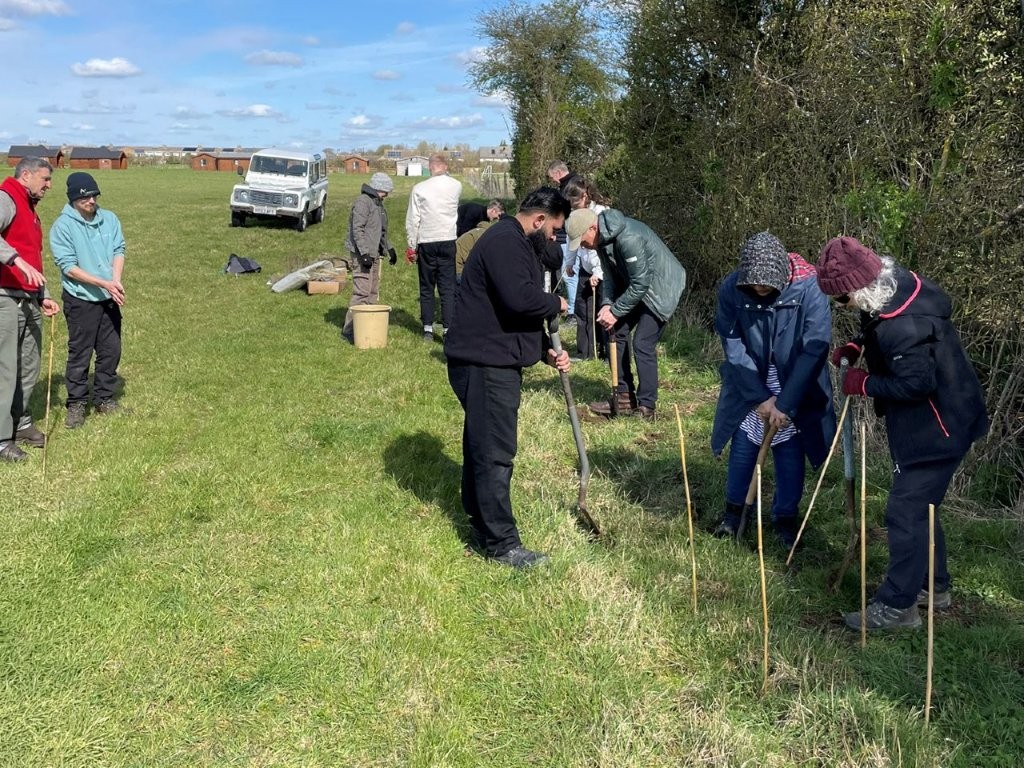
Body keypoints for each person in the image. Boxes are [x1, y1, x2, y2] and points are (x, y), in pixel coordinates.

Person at [816, 236, 989, 632]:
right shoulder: (896, 289)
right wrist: (857, 345)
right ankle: (934, 587)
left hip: (937, 429)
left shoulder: (905, 326)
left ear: (861, 288)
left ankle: (898, 607)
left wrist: (864, 384)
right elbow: (876, 326)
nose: (841, 306)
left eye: (842, 300)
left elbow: (915, 384)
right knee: (923, 507)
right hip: (942, 417)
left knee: (905, 511)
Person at [444, 187, 572, 568]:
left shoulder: (512, 240)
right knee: (495, 452)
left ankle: (480, 526)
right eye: (552, 231)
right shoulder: (505, 242)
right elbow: (520, 299)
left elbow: (507, 312)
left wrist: (543, 352)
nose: (552, 239)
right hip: (484, 365)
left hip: (491, 357)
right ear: (538, 220)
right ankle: (502, 545)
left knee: (480, 446)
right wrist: (557, 303)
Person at [710, 232, 835, 549]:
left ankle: (785, 521)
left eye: (767, 284)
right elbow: (733, 344)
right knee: (744, 446)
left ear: (782, 274)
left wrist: (786, 402)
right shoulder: (733, 289)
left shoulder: (809, 288)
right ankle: (734, 514)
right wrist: (759, 398)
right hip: (750, 379)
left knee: (790, 451)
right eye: (754, 284)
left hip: (795, 381)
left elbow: (814, 349)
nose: (760, 289)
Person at [566, 206, 686, 420]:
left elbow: (641, 284)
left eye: (582, 240)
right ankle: (623, 397)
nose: (582, 246)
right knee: (614, 329)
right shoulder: (601, 241)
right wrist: (606, 304)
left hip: (660, 290)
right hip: (637, 287)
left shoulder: (628, 237)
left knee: (643, 343)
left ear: (593, 228)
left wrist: (616, 310)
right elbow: (610, 278)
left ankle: (647, 406)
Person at [49, 172, 126, 429]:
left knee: (111, 350)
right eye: (85, 198)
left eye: (94, 196)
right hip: (80, 299)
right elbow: (68, 266)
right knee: (80, 353)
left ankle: (104, 398)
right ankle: (77, 404)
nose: (91, 201)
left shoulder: (110, 219)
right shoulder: (62, 227)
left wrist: (114, 281)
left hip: (108, 297)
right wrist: (102, 283)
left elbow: (118, 250)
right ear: (73, 199)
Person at [0, 157, 61, 461]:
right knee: (6, 369)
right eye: (45, 179)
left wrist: (43, 294)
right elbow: (18, 256)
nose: (49, 185)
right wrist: (14, 260)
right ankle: (0, 438)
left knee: (29, 365)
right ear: (26, 175)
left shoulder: (30, 209)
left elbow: (34, 257)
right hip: (4, 297)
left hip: (28, 298)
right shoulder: (6, 198)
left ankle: (21, 423)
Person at [405, 153, 461, 342]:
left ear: (430, 167)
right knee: (447, 287)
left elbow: (413, 219)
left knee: (427, 286)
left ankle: (428, 328)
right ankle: (447, 329)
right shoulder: (456, 186)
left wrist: (411, 246)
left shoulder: (419, 189)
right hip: (447, 239)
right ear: (445, 166)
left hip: (427, 240)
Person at [342, 172, 396, 341]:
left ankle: (367, 326)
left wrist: (390, 248)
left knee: (372, 292)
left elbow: (380, 231)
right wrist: (364, 254)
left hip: (374, 254)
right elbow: (357, 229)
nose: (386, 195)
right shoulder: (363, 202)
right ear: (378, 188)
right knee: (362, 292)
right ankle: (350, 330)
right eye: (385, 191)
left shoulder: (377, 204)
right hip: (362, 254)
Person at [561, 177, 609, 360]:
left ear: (584, 195)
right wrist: (569, 263)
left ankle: (606, 353)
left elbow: (601, 245)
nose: (573, 207)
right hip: (584, 267)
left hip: (603, 270)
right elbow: (571, 238)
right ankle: (585, 352)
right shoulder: (574, 215)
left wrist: (598, 272)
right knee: (583, 310)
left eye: (575, 203)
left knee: (603, 310)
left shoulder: (600, 212)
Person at [546, 160, 581, 325]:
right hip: (566, 236)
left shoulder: (570, 187)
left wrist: (557, 232)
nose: (552, 180)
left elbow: (566, 215)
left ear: (558, 173)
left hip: (569, 237)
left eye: (552, 176)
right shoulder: (571, 184)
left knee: (569, 275)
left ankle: (574, 313)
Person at [455, 199, 505, 280]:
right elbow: (463, 231)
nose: (498, 219)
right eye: (498, 215)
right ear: (493, 211)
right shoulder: (474, 211)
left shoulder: (486, 220)